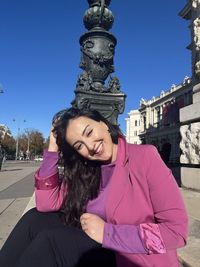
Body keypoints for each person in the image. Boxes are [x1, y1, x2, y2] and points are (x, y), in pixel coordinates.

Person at [0, 107, 188, 267]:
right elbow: (46, 204)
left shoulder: (145, 157)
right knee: (34, 218)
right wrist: (52, 148)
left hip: (130, 255)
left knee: (49, 243)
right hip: (95, 241)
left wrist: (107, 232)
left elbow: (176, 232)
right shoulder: (89, 168)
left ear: (104, 124)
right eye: (79, 145)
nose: (90, 146)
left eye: (89, 132)